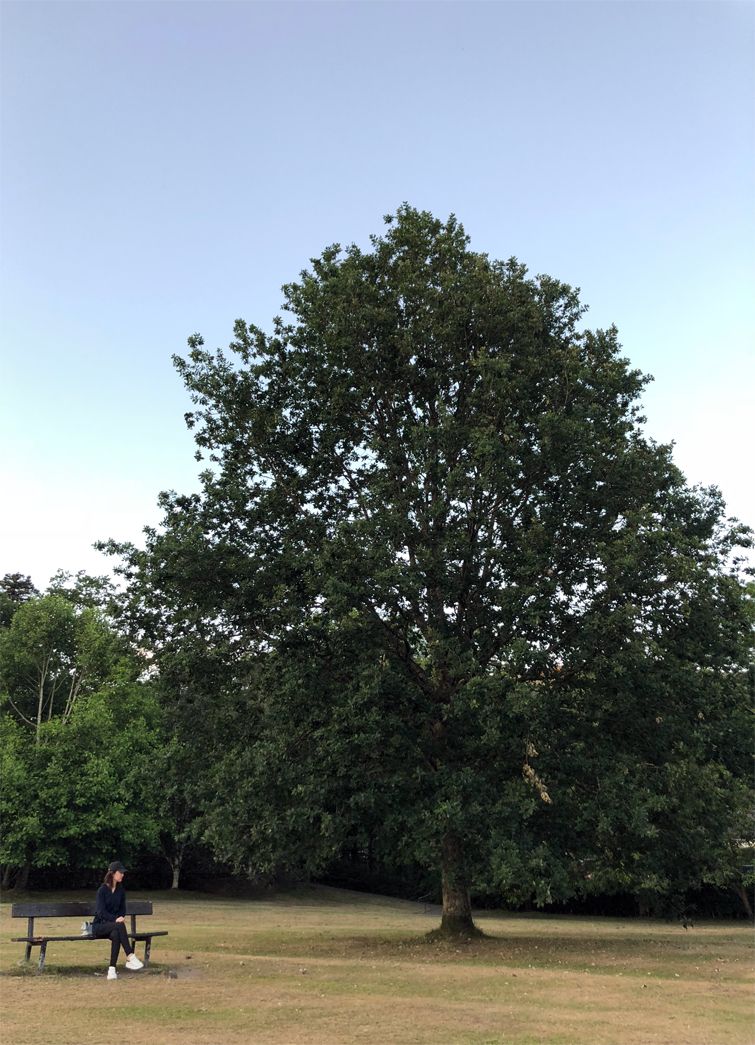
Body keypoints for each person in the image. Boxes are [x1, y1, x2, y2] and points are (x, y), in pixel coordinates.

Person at [93, 860, 144, 980]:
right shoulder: (102, 890)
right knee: (119, 926)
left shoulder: (121, 890)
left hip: (114, 927)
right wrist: (115, 919)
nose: (122, 875)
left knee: (116, 934)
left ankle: (111, 970)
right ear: (112, 873)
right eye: (120, 872)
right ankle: (130, 956)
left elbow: (122, 910)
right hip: (99, 926)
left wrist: (119, 918)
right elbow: (100, 912)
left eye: (123, 872)